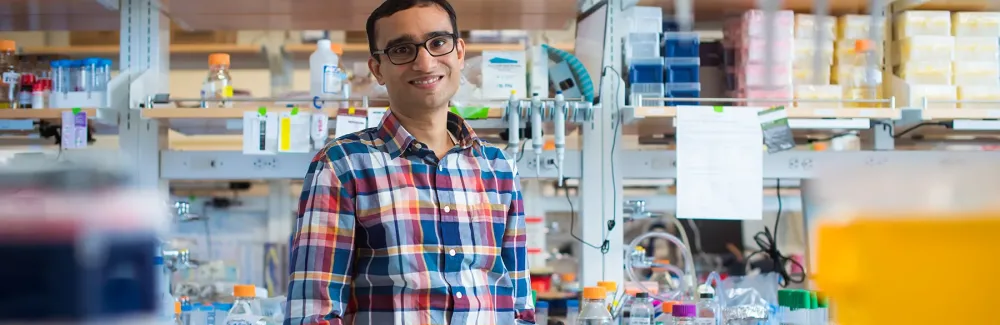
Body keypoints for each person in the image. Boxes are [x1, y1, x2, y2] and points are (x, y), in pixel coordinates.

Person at [284, 1, 534, 324]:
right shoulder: (341, 166)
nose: (425, 62)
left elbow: (519, 308)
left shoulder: (499, 168)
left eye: (438, 43)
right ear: (377, 69)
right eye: (402, 49)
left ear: (459, 52)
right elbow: (314, 314)